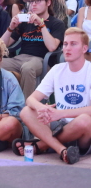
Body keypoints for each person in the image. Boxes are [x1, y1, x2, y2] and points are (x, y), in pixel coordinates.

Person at [17, 28, 91, 164]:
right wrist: (41, 108)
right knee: (26, 111)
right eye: (65, 44)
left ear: (84, 48)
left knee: (85, 120)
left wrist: (60, 113)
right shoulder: (57, 69)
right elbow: (31, 99)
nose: (67, 48)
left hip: (82, 132)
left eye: (73, 44)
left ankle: (40, 145)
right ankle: (61, 149)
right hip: (58, 126)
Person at [0, 0, 66, 97]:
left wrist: (42, 25)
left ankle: (26, 104)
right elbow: (2, 45)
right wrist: (11, 28)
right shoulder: (25, 22)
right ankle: (0, 102)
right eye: (31, 1)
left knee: (27, 68)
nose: (34, 4)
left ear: (48, 3)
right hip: (20, 58)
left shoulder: (56, 23)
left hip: (41, 60)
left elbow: (52, 47)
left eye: (38, 1)